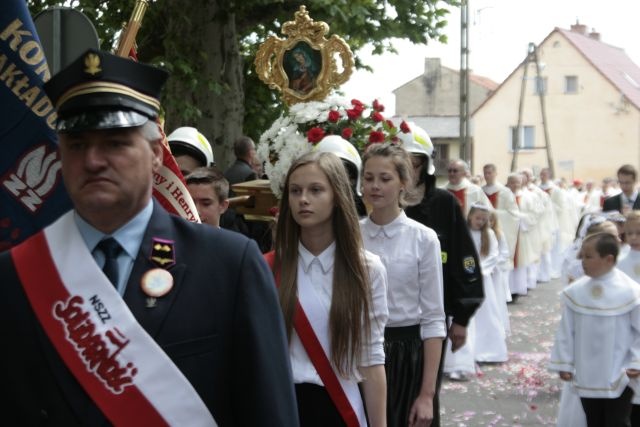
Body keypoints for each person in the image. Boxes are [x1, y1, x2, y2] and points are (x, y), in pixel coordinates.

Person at [0, 49, 298, 426]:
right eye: (77, 144)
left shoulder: (228, 265)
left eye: (115, 142)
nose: (92, 160)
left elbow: (268, 412)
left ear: (156, 153)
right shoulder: (17, 275)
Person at [266, 151, 388, 426]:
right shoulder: (268, 269)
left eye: (316, 190)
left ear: (337, 198)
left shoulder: (367, 270)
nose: (303, 199)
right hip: (283, 407)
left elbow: (371, 358)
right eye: (295, 191)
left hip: (339, 408)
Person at [401, 124, 483, 426]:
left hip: (431, 323)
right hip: (385, 325)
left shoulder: (444, 204)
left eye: (413, 160)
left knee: (423, 403)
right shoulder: (378, 204)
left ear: (424, 164)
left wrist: (462, 316)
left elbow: (465, 260)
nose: (407, 167)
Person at [359, 143, 445, 427]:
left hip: (407, 357)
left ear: (403, 183)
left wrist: (427, 395)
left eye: (385, 178)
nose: (375, 186)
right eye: (368, 177)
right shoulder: (351, 235)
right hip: (359, 353)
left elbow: (433, 319)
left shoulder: (423, 238)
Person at [550, 232, 640, 427]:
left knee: (618, 421)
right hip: (587, 372)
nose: (583, 261)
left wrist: (636, 360)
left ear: (608, 259)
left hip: (620, 371)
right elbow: (566, 330)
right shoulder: (576, 292)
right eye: (582, 256)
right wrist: (564, 362)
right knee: (593, 420)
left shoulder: (631, 292)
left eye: (589, 257)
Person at [466, 204, 508, 363]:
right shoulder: (464, 232)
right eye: (478, 218)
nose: (480, 222)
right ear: (470, 216)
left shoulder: (489, 234)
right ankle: (469, 350)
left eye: (484, 220)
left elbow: (493, 255)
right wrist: (468, 272)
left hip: (483, 280)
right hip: (467, 279)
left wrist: (479, 271)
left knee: (487, 313)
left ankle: (489, 350)